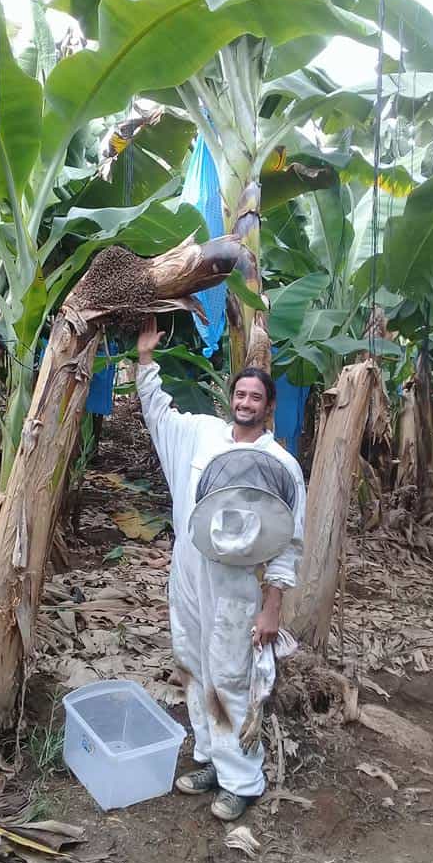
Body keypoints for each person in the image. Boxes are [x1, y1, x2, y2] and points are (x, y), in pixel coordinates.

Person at [135, 317, 306, 821]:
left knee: (230, 674)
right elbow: (158, 413)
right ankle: (211, 757)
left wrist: (273, 606)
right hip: (188, 569)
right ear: (230, 398)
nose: (246, 403)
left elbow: (288, 543)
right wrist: (145, 359)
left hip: (236, 582)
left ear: (269, 407)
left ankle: (242, 780)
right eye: (241, 394)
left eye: (256, 397)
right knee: (192, 662)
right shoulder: (201, 436)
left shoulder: (281, 465)